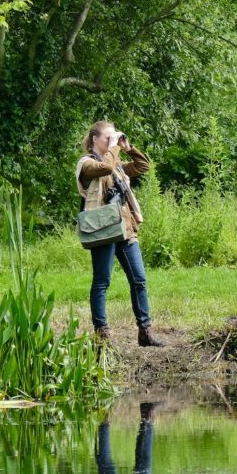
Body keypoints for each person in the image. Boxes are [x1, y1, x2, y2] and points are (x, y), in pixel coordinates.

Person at [76, 120, 164, 346]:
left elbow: (143, 166)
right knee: (102, 281)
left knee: (139, 280)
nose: (111, 141)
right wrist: (114, 147)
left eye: (113, 137)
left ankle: (145, 332)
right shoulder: (87, 164)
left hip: (125, 228)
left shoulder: (117, 164)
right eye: (108, 137)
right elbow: (104, 168)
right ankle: (101, 333)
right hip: (103, 230)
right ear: (95, 139)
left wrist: (128, 147)